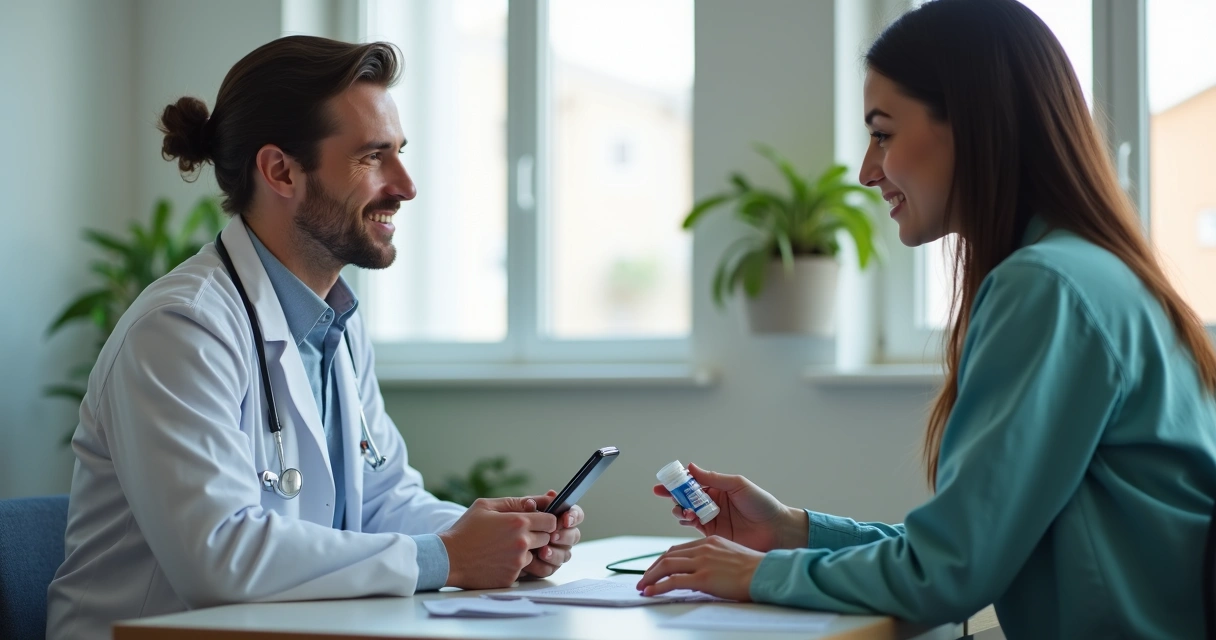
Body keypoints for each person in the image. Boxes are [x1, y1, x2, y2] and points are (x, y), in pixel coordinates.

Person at [636, 0, 1216, 637]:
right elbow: (971, 546)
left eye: (882, 132)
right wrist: (790, 533)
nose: (866, 170)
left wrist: (753, 574)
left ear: (974, 123)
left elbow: (947, 572)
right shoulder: (1095, 273)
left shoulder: (1044, 287)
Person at [46, 36, 583, 640]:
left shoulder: (337, 325)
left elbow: (383, 502)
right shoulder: (180, 331)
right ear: (280, 171)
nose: (405, 186)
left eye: (400, 153)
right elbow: (221, 556)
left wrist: (497, 540)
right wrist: (450, 558)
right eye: (373, 157)